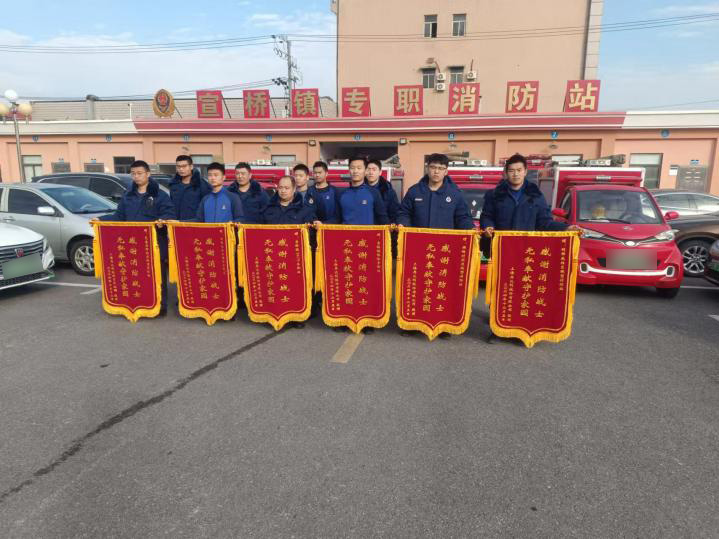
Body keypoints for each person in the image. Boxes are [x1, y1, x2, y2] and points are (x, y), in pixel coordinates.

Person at [480, 153, 581, 342]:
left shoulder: (535, 195)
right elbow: (487, 216)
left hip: (527, 251)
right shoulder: (494, 195)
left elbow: (544, 222)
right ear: (505, 173)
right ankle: (498, 329)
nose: (515, 174)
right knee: (501, 289)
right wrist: (488, 227)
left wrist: (565, 228)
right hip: (503, 250)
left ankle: (520, 327)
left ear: (525, 171)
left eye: (519, 170)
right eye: (511, 171)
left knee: (523, 289)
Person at [98, 160, 175, 316]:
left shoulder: (160, 195)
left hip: (153, 242)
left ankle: (161, 306)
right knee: (137, 275)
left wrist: (163, 220)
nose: (136, 176)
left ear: (148, 174)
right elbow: (119, 216)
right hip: (132, 243)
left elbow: (169, 213)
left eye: (139, 173)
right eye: (133, 174)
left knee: (157, 275)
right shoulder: (128, 195)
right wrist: (101, 219)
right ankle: (141, 303)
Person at [397, 153, 474, 230]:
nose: (436, 171)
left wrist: (469, 228)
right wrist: (403, 223)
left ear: (446, 171)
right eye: (433, 167)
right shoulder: (414, 191)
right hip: (418, 237)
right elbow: (404, 213)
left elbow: (463, 217)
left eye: (441, 168)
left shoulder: (455, 194)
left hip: (445, 237)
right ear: (427, 169)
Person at [335, 156, 390, 225]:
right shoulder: (341, 194)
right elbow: (336, 219)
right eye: (352, 168)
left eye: (359, 168)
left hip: (368, 232)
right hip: (346, 231)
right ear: (349, 170)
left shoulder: (374, 193)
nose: (355, 171)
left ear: (366, 171)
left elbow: (383, 219)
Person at [168, 155, 210, 220]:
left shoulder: (201, 184)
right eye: (178, 167)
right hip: (176, 223)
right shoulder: (173, 185)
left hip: (195, 224)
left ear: (191, 166)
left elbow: (207, 208)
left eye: (184, 166)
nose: (181, 169)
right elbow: (171, 206)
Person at [366, 159, 400, 223]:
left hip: (382, 227)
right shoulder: (360, 189)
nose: (371, 172)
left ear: (380, 172)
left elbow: (394, 214)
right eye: (368, 169)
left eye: (374, 169)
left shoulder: (388, 191)